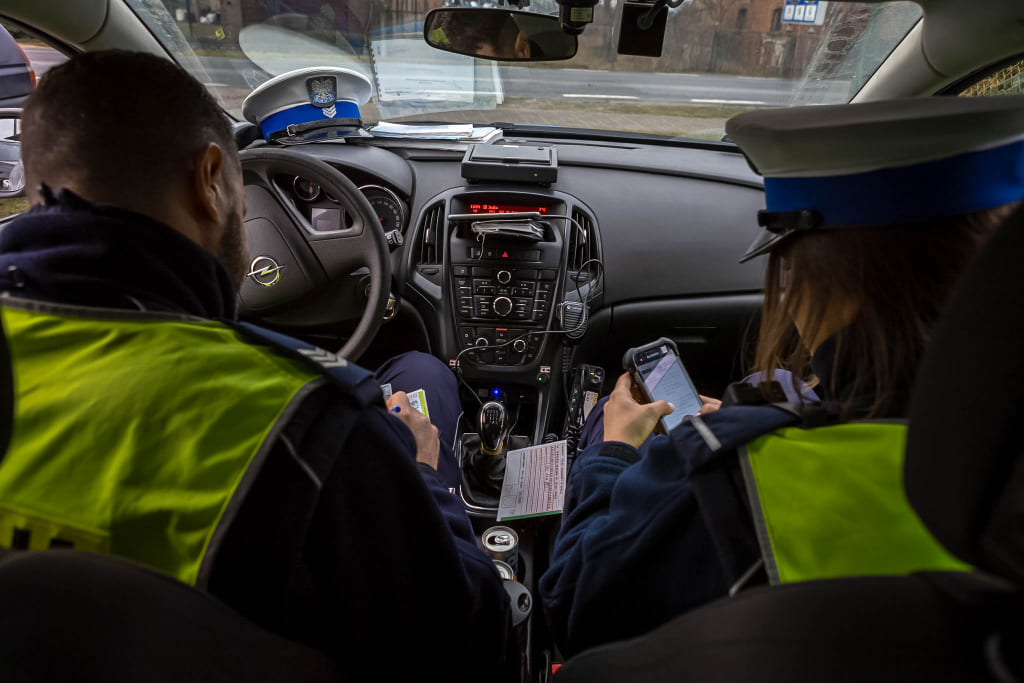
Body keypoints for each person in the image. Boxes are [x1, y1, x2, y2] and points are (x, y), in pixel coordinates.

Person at [0, 50, 512, 679]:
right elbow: (466, 639)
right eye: (244, 200)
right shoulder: (308, 422)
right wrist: (423, 470)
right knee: (420, 372)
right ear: (211, 178)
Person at [539, 95, 1024, 657]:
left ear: (814, 277)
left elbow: (574, 607)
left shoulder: (736, 471)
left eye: (787, 269)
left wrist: (613, 452)